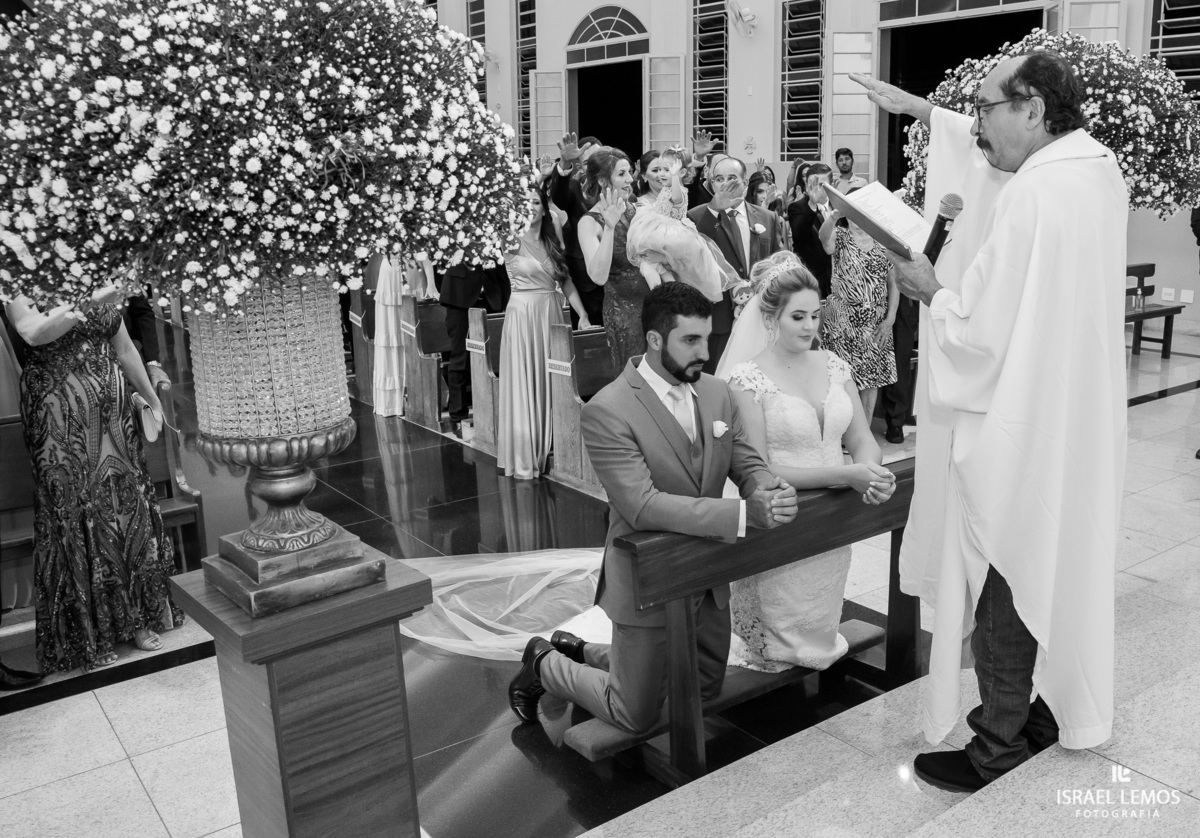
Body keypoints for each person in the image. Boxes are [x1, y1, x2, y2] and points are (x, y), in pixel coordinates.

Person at [852, 51, 1128, 792]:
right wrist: (923, 111)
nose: (979, 127)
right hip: (1073, 408)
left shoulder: (1036, 195)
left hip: (1024, 420)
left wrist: (930, 290)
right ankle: (1045, 708)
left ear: (1033, 109)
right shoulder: (1096, 173)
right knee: (1057, 562)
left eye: (987, 110)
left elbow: (979, 332)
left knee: (1006, 567)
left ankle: (996, 743)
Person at [507, 283, 798, 733]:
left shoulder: (718, 394)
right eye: (691, 341)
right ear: (655, 339)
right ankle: (544, 662)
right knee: (635, 714)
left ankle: (581, 649)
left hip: (709, 572)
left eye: (707, 338)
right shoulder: (608, 409)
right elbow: (642, 505)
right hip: (648, 574)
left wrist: (765, 488)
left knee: (703, 691)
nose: (704, 352)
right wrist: (743, 515)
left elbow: (746, 462)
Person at [717, 253, 896, 671]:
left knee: (820, 617)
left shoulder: (835, 365)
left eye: (815, 315)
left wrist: (872, 470)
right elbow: (761, 470)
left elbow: (862, 439)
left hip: (833, 521)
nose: (810, 326)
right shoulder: (746, 379)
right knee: (778, 643)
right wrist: (847, 474)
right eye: (798, 317)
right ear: (771, 317)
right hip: (781, 519)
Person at [5, 284, 185, 672]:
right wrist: (90, 298)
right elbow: (33, 332)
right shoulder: (15, 271)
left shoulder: (89, 270)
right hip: (58, 420)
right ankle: (92, 632)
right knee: (75, 513)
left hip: (113, 418)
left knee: (124, 508)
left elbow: (124, 348)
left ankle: (137, 619)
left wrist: (151, 399)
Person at [497, 184, 590, 479]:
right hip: (523, 315)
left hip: (552, 313)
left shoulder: (552, 240)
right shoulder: (508, 239)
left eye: (536, 202)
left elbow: (565, 281)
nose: (531, 208)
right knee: (526, 378)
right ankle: (525, 453)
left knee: (553, 379)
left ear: (544, 207)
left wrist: (583, 315)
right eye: (524, 203)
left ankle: (552, 446)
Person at [688, 156, 786, 375]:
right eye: (719, 179)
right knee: (718, 377)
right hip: (718, 316)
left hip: (759, 315)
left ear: (744, 181)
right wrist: (714, 209)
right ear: (712, 184)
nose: (725, 184)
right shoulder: (696, 217)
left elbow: (777, 261)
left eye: (732, 178)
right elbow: (694, 254)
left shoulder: (767, 217)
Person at [819, 188, 898, 421]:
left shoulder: (885, 244)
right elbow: (824, 239)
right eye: (851, 212)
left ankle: (863, 431)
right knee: (842, 378)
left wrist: (890, 319)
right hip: (842, 321)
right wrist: (833, 216)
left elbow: (894, 283)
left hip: (875, 322)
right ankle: (842, 431)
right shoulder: (840, 236)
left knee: (872, 377)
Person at [625, 152, 738, 303]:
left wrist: (675, 178)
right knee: (650, 265)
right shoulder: (665, 189)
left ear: (682, 173)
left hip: (672, 232)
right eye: (660, 170)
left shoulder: (678, 191)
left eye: (667, 170)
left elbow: (677, 198)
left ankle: (667, 295)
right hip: (658, 227)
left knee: (652, 265)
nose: (661, 174)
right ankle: (666, 295)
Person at [576, 147, 645, 371]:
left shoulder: (639, 211)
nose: (629, 180)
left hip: (653, 307)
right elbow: (597, 276)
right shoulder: (589, 222)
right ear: (605, 181)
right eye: (621, 174)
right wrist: (609, 228)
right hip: (624, 314)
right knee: (634, 378)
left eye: (630, 172)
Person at [437, 262, 510, 423]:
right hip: (458, 296)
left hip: (491, 296)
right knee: (460, 355)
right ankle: (458, 412)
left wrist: (506, 301)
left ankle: (493, 408)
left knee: (492, 357)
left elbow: (500, 263)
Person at [549, 133, 605, 328]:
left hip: (616, 276)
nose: (597, 164)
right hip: (584, 279)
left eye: (601, 158)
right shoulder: (573, 188)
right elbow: (558, 197)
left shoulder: (620, 188)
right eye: (590, 161)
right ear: (580, 165)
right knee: (588, 343)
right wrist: (564, 162)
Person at [788, 163, 834, 298]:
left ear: (831, 185)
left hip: (840, 282)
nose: (816, 189)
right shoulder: (798, 208)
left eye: (821, 185)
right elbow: (799, 235)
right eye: (812, 184)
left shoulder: (840, 206)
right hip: (812, 281)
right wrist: (812, 205)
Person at [745, 170, 791, 252]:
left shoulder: (779, 220)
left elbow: (784, 253)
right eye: (760, 191)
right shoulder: (742, 216)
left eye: (768, 192)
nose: (765, 196)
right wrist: (765, 204)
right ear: (751, 192)